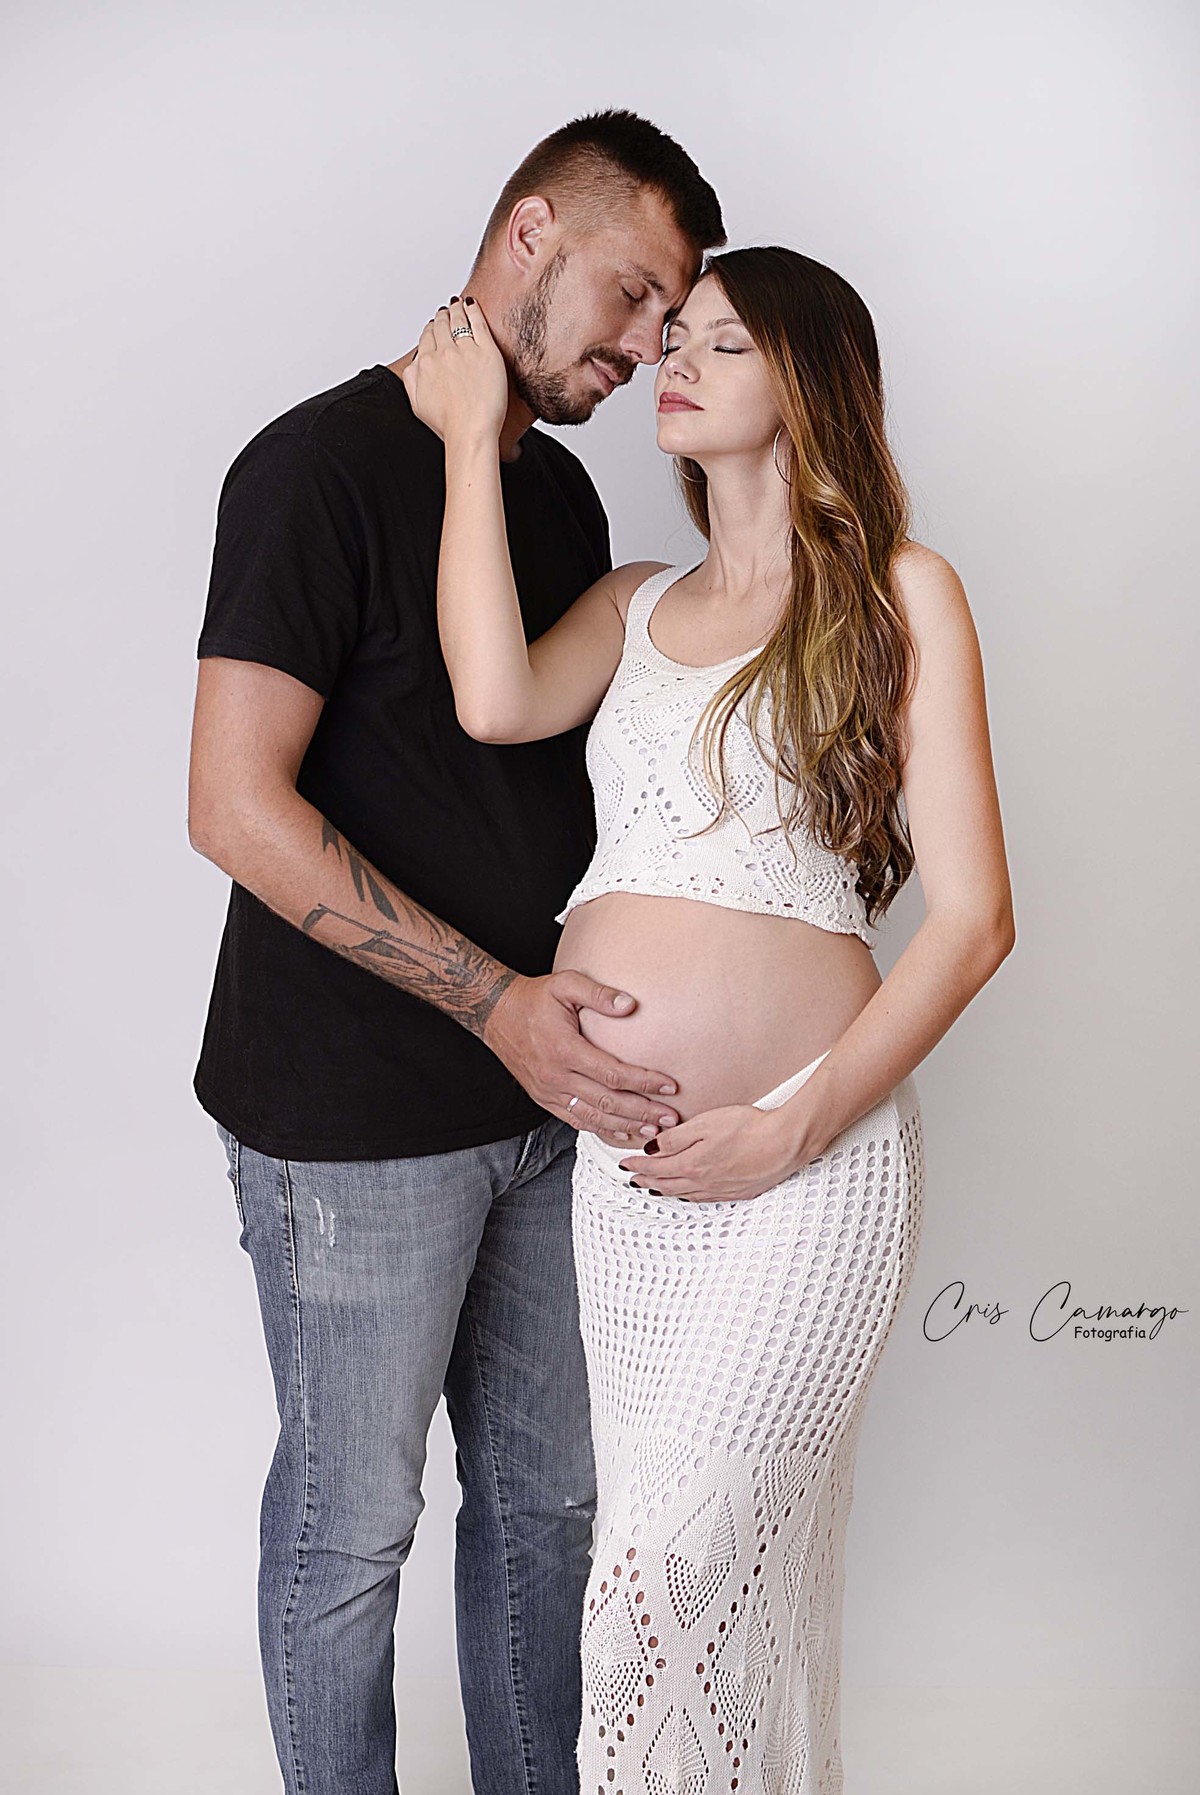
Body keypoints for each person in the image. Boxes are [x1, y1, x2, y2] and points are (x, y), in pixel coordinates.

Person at [403, 249, 1015, 1793]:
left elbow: (973, 924)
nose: (671, 361)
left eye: (720, 344)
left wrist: (790, 1129)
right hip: (636, 1194)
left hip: (813, 1175)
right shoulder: (634, 604)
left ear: (807, 382)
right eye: (674, 338)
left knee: (653, 1597)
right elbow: (490, 698)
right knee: (706, 1602)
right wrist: (470, 443)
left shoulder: (902, 593)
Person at [187, 110, 725, 1795]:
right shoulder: (314, 469)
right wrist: (498, 1007)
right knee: (351, 1527)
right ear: (531, 232)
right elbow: (232, 806)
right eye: (635, 294)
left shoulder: (550, 493)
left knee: (550, 1511)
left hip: (551, 1114)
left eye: (672, 319)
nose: (648, 347)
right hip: (352, 1125)